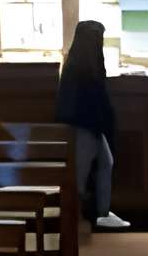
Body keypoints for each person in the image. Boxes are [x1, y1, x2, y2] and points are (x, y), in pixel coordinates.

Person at [55, 20, 130, 232]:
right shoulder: (87, 67)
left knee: (103, 164)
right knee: (82, 174)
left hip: (86, 125)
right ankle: (78, 218)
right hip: (85, 127)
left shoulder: (76, 63)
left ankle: (101, 213)